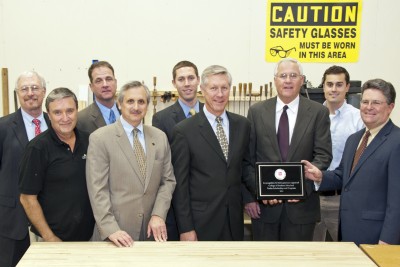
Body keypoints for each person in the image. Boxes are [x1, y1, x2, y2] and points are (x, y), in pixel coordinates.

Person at [243, 58, 332, 241]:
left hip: (302, 208)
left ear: (302, 80)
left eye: (293, 75)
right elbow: (247, 159)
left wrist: (303, 187)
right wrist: (259, 191)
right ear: (275, 80)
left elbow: (323, 155)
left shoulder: (318, 112)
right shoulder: (256, 111)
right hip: (266, 209)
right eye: (283, 76)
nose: (288, 80)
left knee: (297, 260)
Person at [303, 78, 400, 245]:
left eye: (376, 102)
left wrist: (388, 241)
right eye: (365, 101)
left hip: (377, 237)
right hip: (349, 230)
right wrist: (320, 176)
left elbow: (397, 200)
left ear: (390, 107)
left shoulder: (396, 141)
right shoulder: (354, 140)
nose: (369, 107)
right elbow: (343, 176)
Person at [86, 81, 176, 247]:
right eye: (130, 101)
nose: (136, 107)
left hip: (152, 232)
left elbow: (168, 181)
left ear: (147, 105)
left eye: (141, 102)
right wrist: (110, 228)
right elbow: (97, 189)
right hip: (115, 234)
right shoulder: (100, 138)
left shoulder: (159, 137)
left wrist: (158, 214)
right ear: (119, 104)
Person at [171, 65, 255, 241]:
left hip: (234, 221)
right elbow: (180, 184)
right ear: (202, 90)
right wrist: (186, 228)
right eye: (214, 88)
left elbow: (244, 168)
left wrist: (257, 195)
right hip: (201, 222)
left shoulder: (243, 125)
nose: (220, 94)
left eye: (224, 88)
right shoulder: (184, 131)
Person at [19, 88, 95, 242]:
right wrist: (50, 237)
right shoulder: (38, 148)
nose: (65, 118)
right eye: (58, 112)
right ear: (49, 114)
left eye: (70, 111)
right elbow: (27, 198)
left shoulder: (90, 141)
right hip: (52, 239)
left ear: (77, 111)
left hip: (91, 237)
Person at [0, 71, 48, 267]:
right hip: (12, 221)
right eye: (24, 89)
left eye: (35, 88)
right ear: (17, 93)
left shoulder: (57, 124)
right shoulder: (3, 127)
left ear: (44, 92)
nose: (30, 93)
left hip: (50, 218)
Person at [152, 60, 203, 240]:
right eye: (181, 79)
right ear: (174, 83)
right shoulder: (161, 119)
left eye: (191, 78)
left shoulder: (212, 113)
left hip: (207, 203)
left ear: (198, 80)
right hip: (177, 203)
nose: (187, 83)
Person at [313, 66, 364, 242]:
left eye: (339, 84)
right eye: (329, 84)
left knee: (346, 252)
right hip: (312, 199)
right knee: (309, 254)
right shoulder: (310, 116)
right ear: (323, 87)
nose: (334, 89)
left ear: (347, 87)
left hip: (341, 200)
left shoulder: (359, 119)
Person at [77, 60, 119, 134]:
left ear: (115, 82)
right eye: (98, 81)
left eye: (108, 79)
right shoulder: (81, 119)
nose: (105, 85)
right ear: (91, 87)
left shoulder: (128, 112)